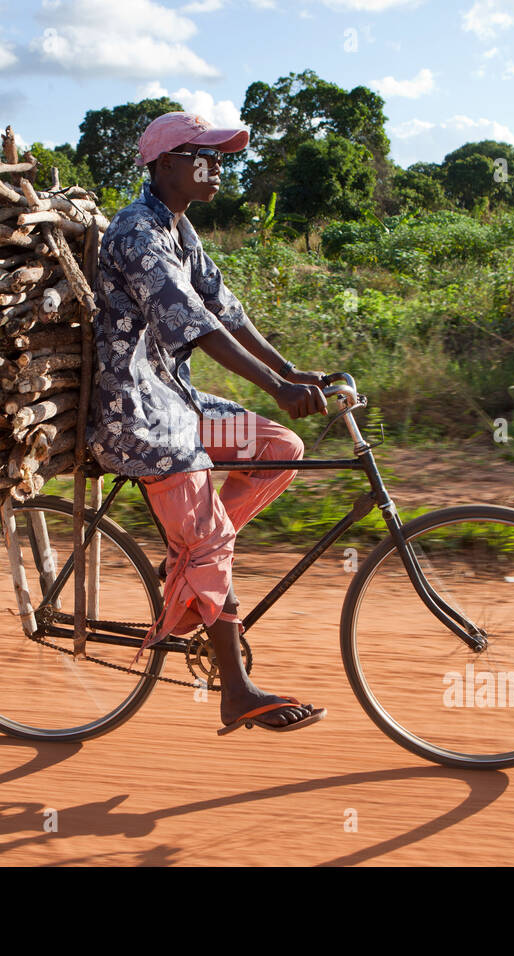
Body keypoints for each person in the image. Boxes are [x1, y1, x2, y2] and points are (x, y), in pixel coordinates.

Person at [86, 111, 329, 735]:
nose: (218, 167)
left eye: (220, 156)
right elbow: (193, 326)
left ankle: (194, 564)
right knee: (211, 534)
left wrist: (294, 374)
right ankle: (235, 690)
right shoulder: (138, 235)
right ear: (166, 163)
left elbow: (227, 312)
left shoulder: (179, 229)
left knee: (280, 448)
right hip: (138, 415)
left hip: (179, 404)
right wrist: (274, 385)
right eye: (205, 155)